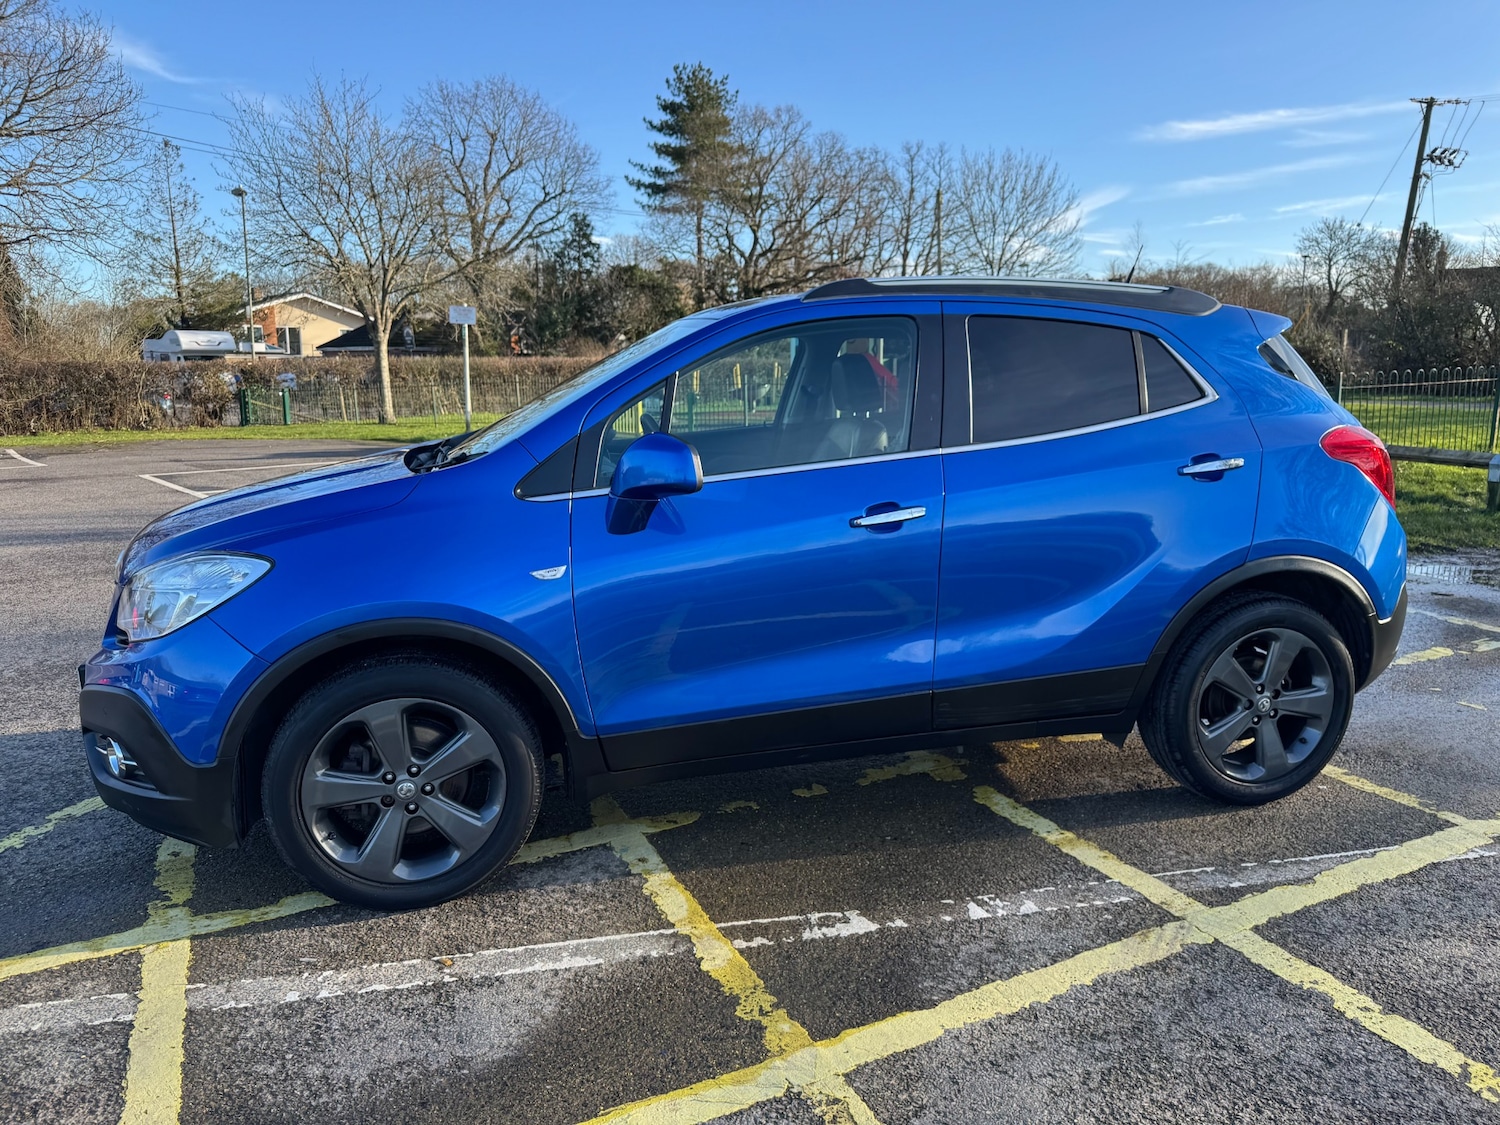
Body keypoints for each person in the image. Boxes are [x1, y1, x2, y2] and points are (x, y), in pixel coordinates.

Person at [841, 337, 898, 409]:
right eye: (865, 338)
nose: (867, 341)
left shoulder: (842, 362)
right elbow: (892, 382)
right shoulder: (865, 360)